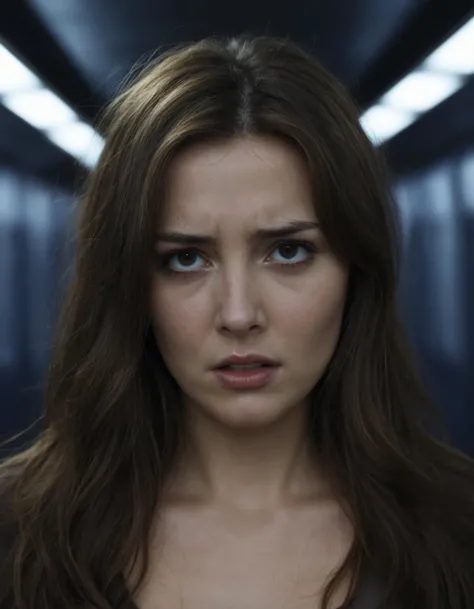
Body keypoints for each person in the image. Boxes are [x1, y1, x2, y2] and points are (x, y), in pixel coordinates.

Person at [0, 34, 473, 609]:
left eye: (289, 251)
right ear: (129, 287)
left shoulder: (457, 530)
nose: (239, 314)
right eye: (185, 258)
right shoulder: (21, 536)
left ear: (357, 269)